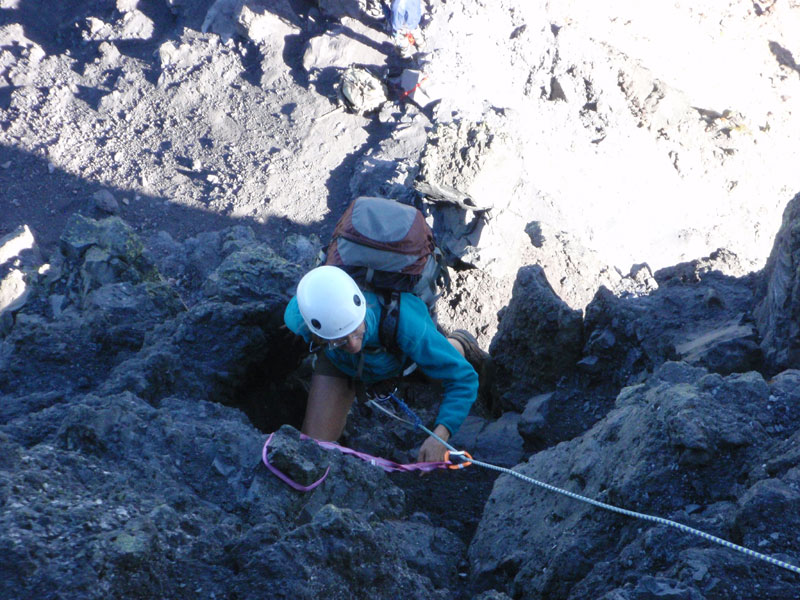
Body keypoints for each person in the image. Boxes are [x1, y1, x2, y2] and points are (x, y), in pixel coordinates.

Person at [284, 265, 490, 463]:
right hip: (341, 365)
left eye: (357, 331)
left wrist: (440, 435)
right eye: (339, 340)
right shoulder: (299, 316)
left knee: (441, 361)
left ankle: (459, 343)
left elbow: (463, 378)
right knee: (314, 447)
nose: (353, 345)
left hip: (403, 359)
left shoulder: (407, 324)